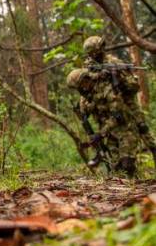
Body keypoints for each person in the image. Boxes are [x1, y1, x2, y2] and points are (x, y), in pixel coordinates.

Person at [67, 36, 156, 176]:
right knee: (117, 164)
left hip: (126, 107)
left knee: (146, 136)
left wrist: (117, 77)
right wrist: (101, 75)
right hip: (107, 116)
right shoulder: (88, 69)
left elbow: (133, 87)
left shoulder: (114, 63)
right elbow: (86, 85)